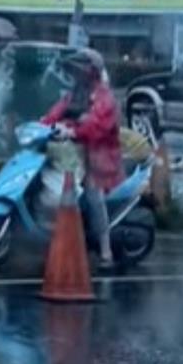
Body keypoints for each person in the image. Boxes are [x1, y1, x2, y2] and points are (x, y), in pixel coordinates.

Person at [42, 48, 124, 267]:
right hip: (74, 153)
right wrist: (42, 125)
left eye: (81, 70)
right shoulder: (75, 93)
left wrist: (73, 130)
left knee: (93, 195)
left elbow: (98, 124)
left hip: (99, 155)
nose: (77, 74)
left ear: (91, 72)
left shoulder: (104, 96)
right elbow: (56, 113)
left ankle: (106, 252)